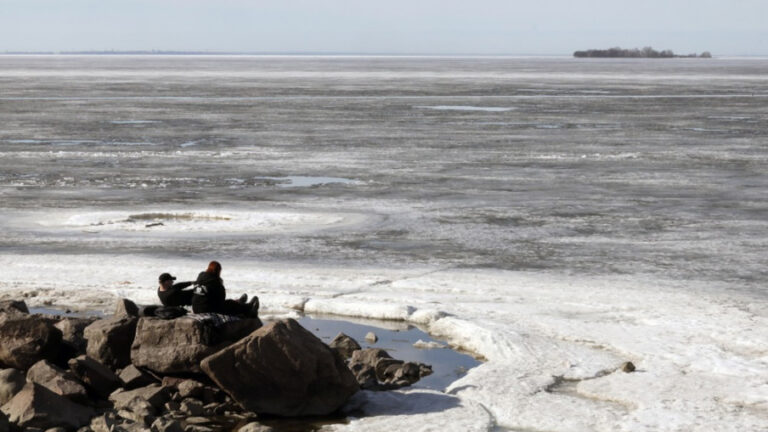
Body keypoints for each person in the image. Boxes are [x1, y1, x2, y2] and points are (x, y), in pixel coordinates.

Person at [192, 261, 259, 317]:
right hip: (206, 310)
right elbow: (221, 299)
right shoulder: (215, 282)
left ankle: (239, 302)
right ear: (218, 271)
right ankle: (249, 307)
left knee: (227, 303)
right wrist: (221, 284)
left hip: (195, 308)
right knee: (229, 304)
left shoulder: (200, 278)